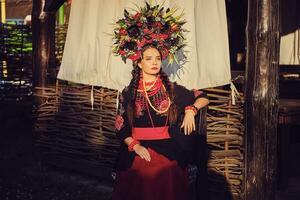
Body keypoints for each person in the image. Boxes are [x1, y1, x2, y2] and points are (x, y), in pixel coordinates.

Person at [112, 44, 209, 200]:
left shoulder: (170, 90)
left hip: (166, 146)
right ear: (139, 63)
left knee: (163, 168)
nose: (154, 62)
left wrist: (192, 109)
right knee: (140, 169)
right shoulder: (129, 92)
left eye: (158, 58)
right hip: (137, 144)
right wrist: (135, 146)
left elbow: (202, 96)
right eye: (149, 59)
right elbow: (120, 127)